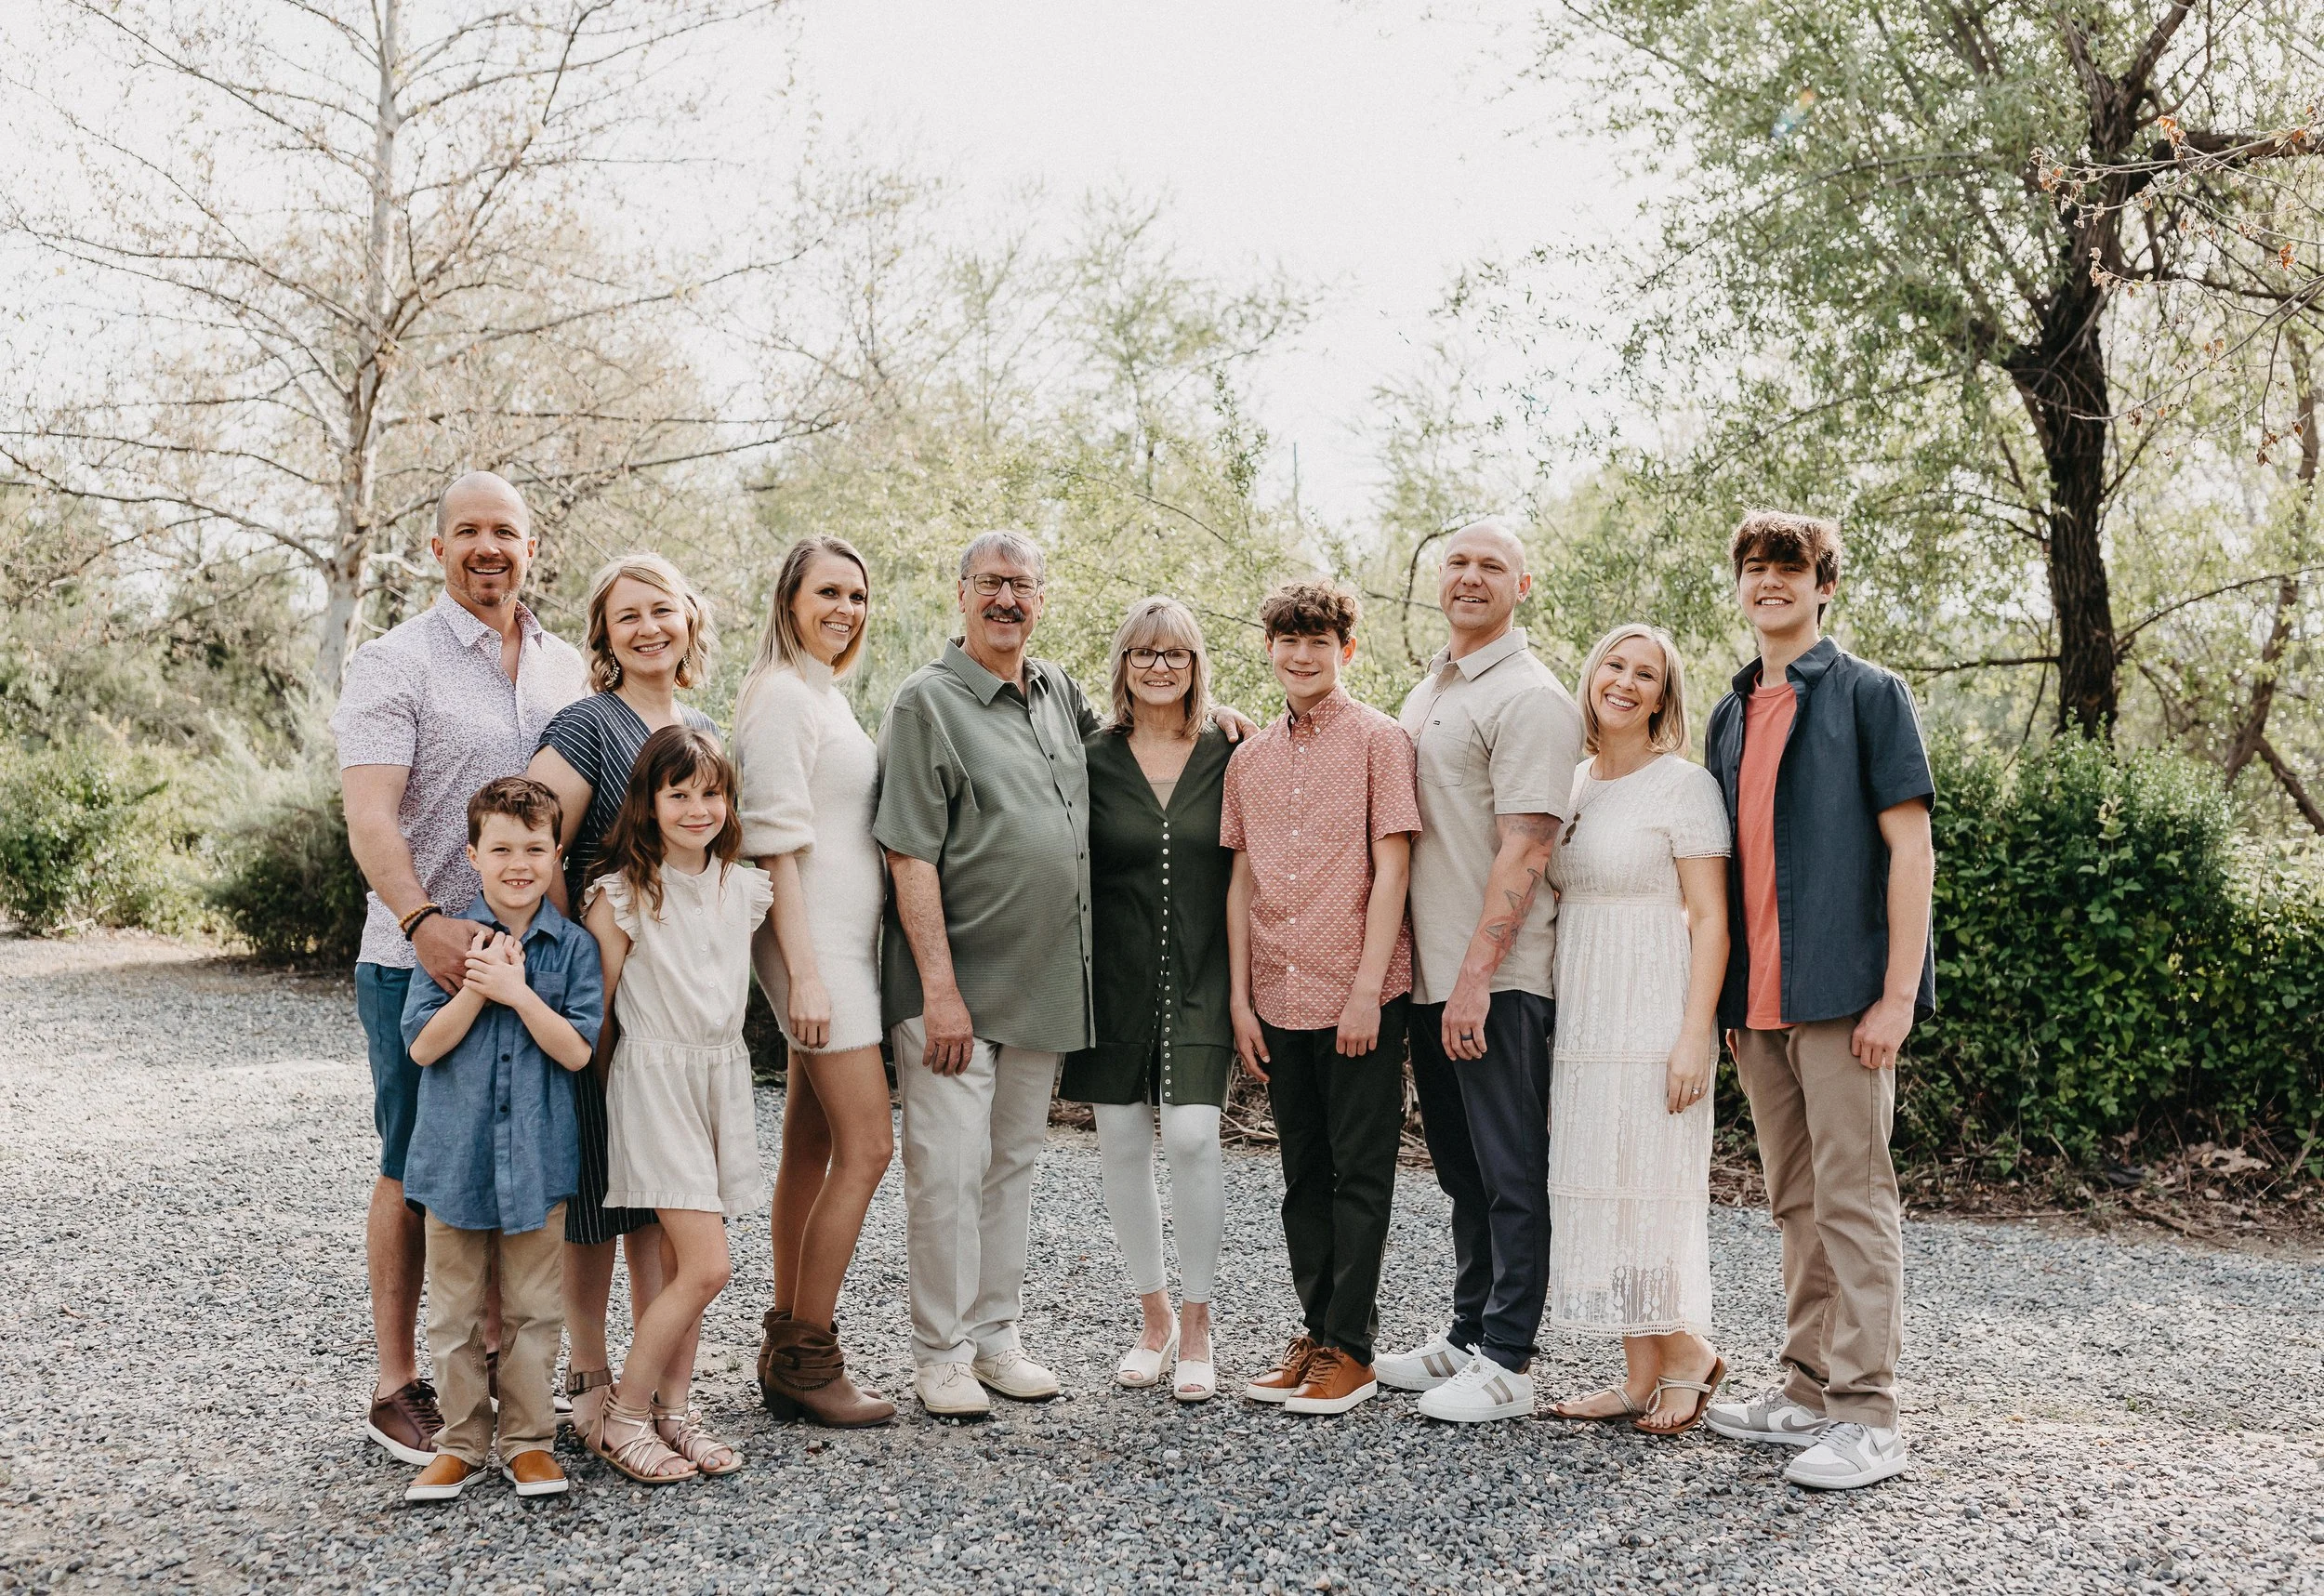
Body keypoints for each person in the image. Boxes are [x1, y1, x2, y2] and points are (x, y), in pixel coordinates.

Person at [334, 469, 588, 1465]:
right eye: (469, 531)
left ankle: (495, 1374)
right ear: (437, 547)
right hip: (420, 960)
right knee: (417, 1160)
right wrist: (424, 918)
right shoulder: (395, 662)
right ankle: (398, 1384)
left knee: (520, 1155)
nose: (490, 547)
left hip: (541, 968)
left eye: (508, 532)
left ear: (531, 549)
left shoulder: (566, 667)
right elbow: (370, 814)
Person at [1697, 511, 1935, 1492]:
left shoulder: (1870, 695)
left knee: (1853, 1199)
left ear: (1823, 585)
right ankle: (1804, 1389)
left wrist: (1897, 995)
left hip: (1843, 998)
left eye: (1788, 567)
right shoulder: (1728, 711)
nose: (1769, 582)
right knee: (1794, 1202)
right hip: (1756, 1006)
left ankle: (1869, 1414)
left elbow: (1910, 851)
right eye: (1753, 566)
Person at [874, 531, 1102, 1420]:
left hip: (1041, 983)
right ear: (961, 594)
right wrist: (939, 990)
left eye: (1023, 585)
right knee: (947, 1169)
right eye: (992, 583)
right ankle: (938, 1355)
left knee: (1013, 1165)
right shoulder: (925, 702)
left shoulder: (1055, 692)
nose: (1008, 599)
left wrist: (1219, 718)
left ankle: (995, 1336)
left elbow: (1135, 740)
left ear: (1042, 598)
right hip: (954, 989)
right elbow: (909, 854)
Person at [1378, 520, 1581, 1424]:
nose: (1468, 576)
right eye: (1456, 562)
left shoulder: (1530, 698)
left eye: (1489, 565)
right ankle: (1465, 1333)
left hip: (1496, 980)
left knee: (1508, 1172)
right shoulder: (1435, 687)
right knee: (1461, 1171)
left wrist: (1474, 976)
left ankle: (1508, 1359)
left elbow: (1528, 844)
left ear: (1522, 585)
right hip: (1432, 979)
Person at [523, 552, 720, 1435]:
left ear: (689, 621)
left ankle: (652, 1383)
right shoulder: (588, 724)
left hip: (682, 1000)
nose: (649, 627)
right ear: (602, 634)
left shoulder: (705, 729)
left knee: (659, 1186)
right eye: (627, 614)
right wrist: (569, 958)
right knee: (599, 1183)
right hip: (604, 982)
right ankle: (590, 1373)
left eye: (663, 609)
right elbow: (538, 830)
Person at [1227, 579, 1421, 1418]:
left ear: (1346, 650)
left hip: (1359, 996)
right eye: (1287, 641)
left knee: (1361, 1172)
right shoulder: (1249, 759)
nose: (1301, 656)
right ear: (1269, 648)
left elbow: (1395, 870)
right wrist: (1240, 999)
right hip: (1276, 990)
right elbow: (1239, 881)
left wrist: (1368, 992)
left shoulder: (1382, 740)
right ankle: (1315, 1331)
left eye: (1318, 642)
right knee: (1302, 1173)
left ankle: (1352, 1348)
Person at [1540, 625, 1733, 1434]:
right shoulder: (1574, 780)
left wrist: (1695, 1033)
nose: (1624, 682)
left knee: (1648, 1180)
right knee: (1604, 1177)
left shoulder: (1683, 787)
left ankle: (1688, 1350)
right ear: (1591, 676)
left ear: (1663, 695)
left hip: (1653, 1000)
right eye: (1613, 665)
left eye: (1644, 674)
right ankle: (1640, 1370)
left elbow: (1713, 918)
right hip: (1584, 1003)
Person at [398, 777, 603, 1504]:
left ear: (555, 855)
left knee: (533, 1310)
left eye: (536, 848)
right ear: (474, 854)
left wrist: (519, 993)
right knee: (453, 1311)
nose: (519, 863)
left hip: (540, 1164)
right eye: (502, 848)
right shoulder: (453, 943)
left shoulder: (573, 949)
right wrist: (479, 987)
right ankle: (459, 1443)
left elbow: (577, 1051)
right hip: (455, 1161)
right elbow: (423, 1045)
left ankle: (528, 1443)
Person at [733, 536, 896, 1427]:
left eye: (858, 595)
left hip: (838, 947)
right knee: (870, 1146)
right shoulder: (782, 695)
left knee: (809, 1140)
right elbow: (773, 843)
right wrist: (804, 974)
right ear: (789, 598)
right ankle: (810, 1351)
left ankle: (782, 1341)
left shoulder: (821, 692)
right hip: (817, 952)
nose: (845, 608)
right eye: (828, 592)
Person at [581, 726, 772, 1484]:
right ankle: (624, 1416)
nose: (698, 808)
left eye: (711, 793)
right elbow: (594, 1014)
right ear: (648, 801)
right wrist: (605, 1105)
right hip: (653, 1081)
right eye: (679, 793)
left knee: (669, 1264)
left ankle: (674, 1409)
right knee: (708, 1264)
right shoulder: (622, 891)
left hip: (717, 1078)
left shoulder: (743, 885)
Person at [1059, 597, 1235, 1404]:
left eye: (1175, 654)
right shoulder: (1087, 756)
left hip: (1205, 973)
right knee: (1124, 1146)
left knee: (1195, 1137)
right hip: (1114, 979)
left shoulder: (1231, 751)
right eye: (1143, 654)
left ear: (1196, 666)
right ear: (1123, 664)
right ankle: (1155, 1319)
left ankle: (1199, 1326)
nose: (1159, 667)